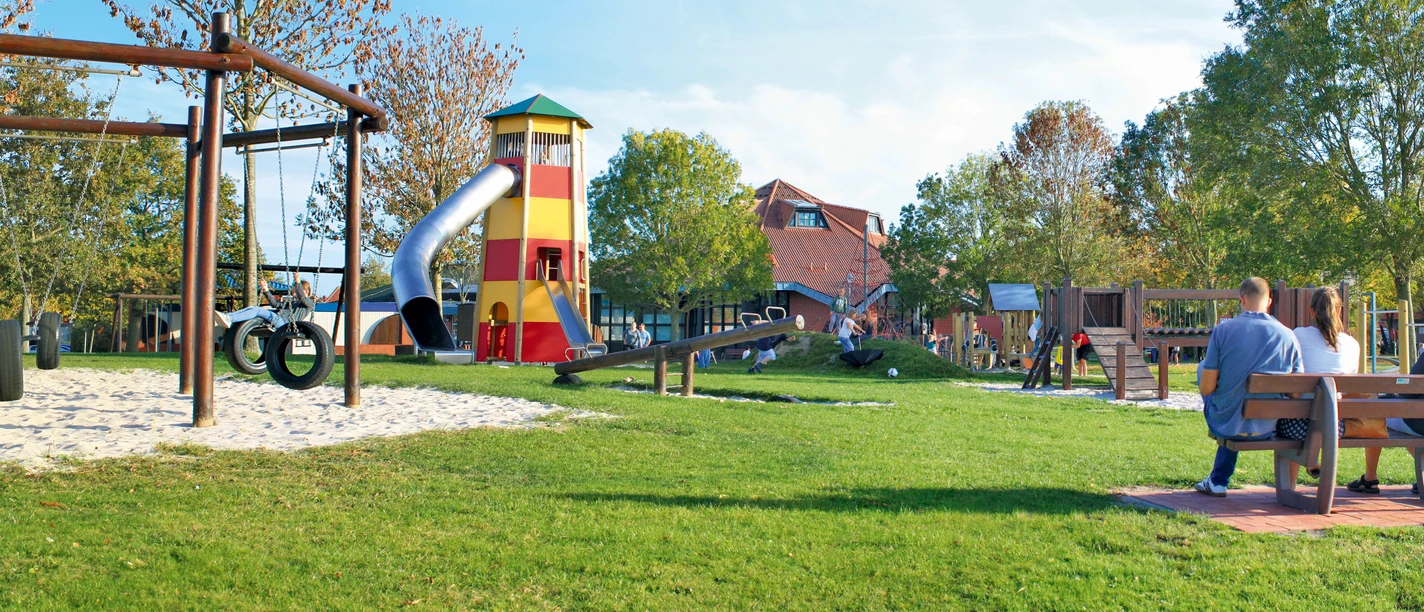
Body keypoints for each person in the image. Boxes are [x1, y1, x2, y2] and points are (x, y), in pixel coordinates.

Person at [1195, 277, 1304, 497]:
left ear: (1242, 299)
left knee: (1203, 370)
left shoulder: (1223, 330)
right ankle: (1217, 480)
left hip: (1225, 423)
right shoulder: (1288, 335)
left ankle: (1218, 481)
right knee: (1241, 398)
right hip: (1268, 425)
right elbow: (1296, 391)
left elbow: (1206, 389)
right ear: (1269, 301)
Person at [1273, 287, 1357, 486]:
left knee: (1296, 413)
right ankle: (1312, 463)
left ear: (1311, 311)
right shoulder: (1352, 344)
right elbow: (1349, 386)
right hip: (1334, 426)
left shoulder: (1297, 335)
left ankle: (1290, 487)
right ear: (1339, 310)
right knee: (1314, 420)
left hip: (1295, 425)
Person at [1360, 352, 1424, 495]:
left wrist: (1394, 395)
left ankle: (1370, 478)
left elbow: (1408, 391)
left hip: (1419, 424)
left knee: (1376, 412)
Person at [214, 277, 312, 329]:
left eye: (296, 292)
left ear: (306, 291)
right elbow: (276, 305)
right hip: (278, 319)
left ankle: (229, 318)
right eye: (293, 292)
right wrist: (266, 290)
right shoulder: (292, 302)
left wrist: (298, 283)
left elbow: (302, 297)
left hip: (285, 323)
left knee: (257, 310)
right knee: (253, 309)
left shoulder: (309, 303)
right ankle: (227, 318)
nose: (293, 294)